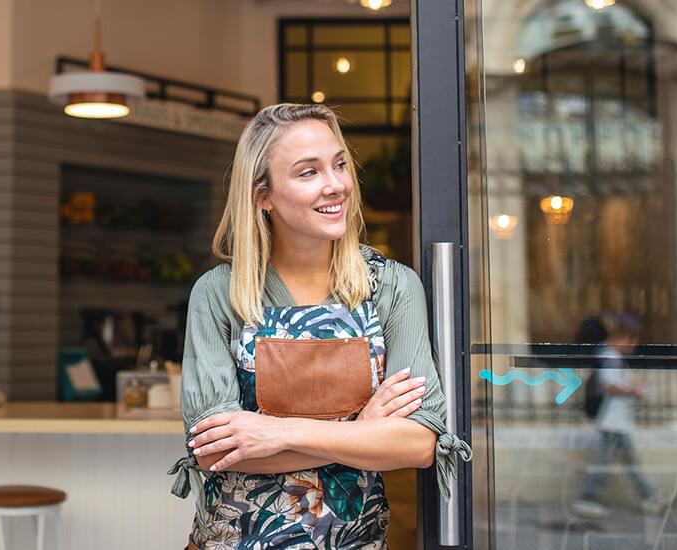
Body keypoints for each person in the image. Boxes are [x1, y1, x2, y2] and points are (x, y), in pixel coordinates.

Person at [168, 103, 470, 549]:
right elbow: (216, 451)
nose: (336, 185)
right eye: (308, 172)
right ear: (262, 195)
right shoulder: (219, 294)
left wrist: (278, 432)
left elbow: (420, 443)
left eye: (340, 164)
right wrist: (362, 431)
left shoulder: (391, 287)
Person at [572, 313, 664, 519]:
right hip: (612, 420)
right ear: (620, 338)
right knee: (607, 463)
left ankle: (650, 497)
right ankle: (588, 499)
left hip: (616, 421)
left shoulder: (610, 356)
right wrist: (635, 390)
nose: (634, 345)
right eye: (631, 340)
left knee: (625, 461)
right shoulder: (610, 357)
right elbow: (610, 385)